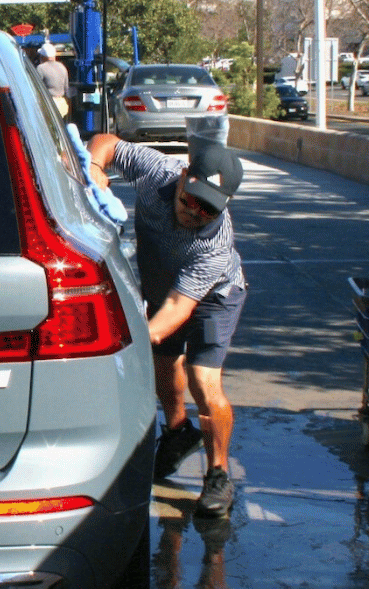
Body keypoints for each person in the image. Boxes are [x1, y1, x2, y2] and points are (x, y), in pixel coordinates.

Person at [86, 133, 246, 518]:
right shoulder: (157, 170)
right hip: (161, 284)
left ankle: (218, 475)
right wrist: (94, 171)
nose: (194, 212)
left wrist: (125, 338)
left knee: (201, 378)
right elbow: (105, 142)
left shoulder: (215, 244)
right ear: (183, 176)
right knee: (163, 368)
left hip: (213, 297)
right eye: (190, 200)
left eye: (207, 209)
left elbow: (177, 307)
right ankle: (177, 433)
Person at [36, 43, 70, 117]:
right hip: (61, 105)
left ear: (43, 56)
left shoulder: (41, 68)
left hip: (48, 104)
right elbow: (66, 88)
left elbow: (36, 88)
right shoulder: (62, 67)